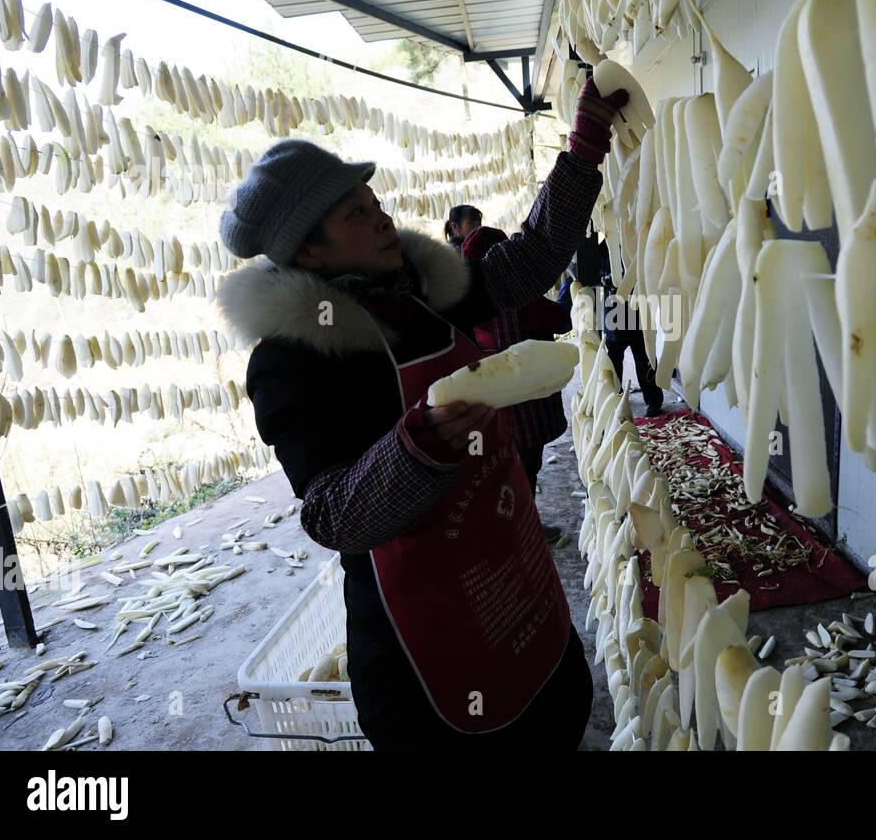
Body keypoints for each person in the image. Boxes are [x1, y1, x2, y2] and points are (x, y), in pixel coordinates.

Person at [215, 77, 629, 750]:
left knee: (554, 709)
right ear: (308, 252)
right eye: (353, 214)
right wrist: (417, 448)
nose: (381, 218)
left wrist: (584, 148)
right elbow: (332, 515)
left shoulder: (421, 293)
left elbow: (528, 263)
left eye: (373, 201)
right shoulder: (293, 359)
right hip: (425, 622)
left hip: (509, 566)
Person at [457, 222, 573, 543]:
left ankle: (511, 527)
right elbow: (562, 319)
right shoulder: (521, 300)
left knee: (500, 469)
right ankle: (520, 532)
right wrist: (568, 292)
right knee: (524, 469)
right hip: (528, 408)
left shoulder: (462, 302)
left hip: (491, 407)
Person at [596, 241, 665, 417]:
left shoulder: (636, 241)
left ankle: (654, 401)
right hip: (614, 311)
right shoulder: (605, 246)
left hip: (638, 311)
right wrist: (608, 277)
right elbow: (597, 274)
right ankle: (614, 399)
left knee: (644, 359)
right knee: (613, 362)